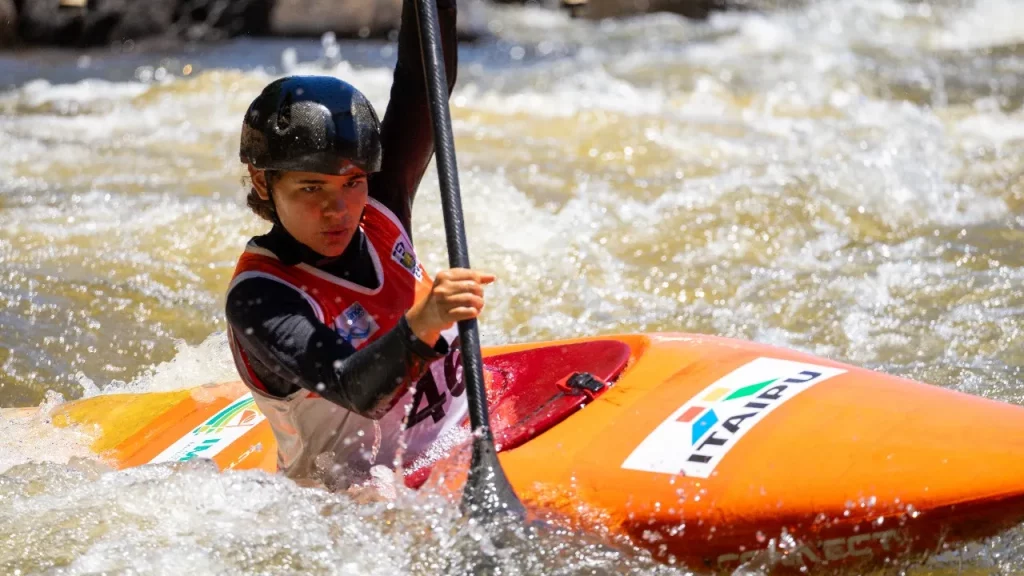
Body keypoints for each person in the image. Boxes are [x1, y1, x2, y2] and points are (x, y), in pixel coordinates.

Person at [224, 0, 490, 491]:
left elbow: (423, 82)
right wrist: (424, 321)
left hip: (463, 443)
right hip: (359, 501)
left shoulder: (380, 206)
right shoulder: (260, 297)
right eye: (312, 188)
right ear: (262, 182)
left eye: (352, 183)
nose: (339, 209)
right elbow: (353, 387)